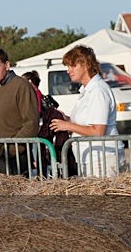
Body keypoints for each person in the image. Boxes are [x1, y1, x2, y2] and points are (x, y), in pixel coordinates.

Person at [50, 45, 124, 177]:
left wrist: (67, 125)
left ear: (85, 65)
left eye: (72, 66)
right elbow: (85, 123)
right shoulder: (87, 90)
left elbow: (98, 131)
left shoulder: (98, 90)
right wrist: (65, 120)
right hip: (91, 157)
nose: (68, 70)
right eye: (68, 66)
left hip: (103, 158)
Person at [0, 47, 39, 175]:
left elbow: (31, 124)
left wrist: (11, 149)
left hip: (14, 159)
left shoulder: (22, 86)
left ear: (7, 65)